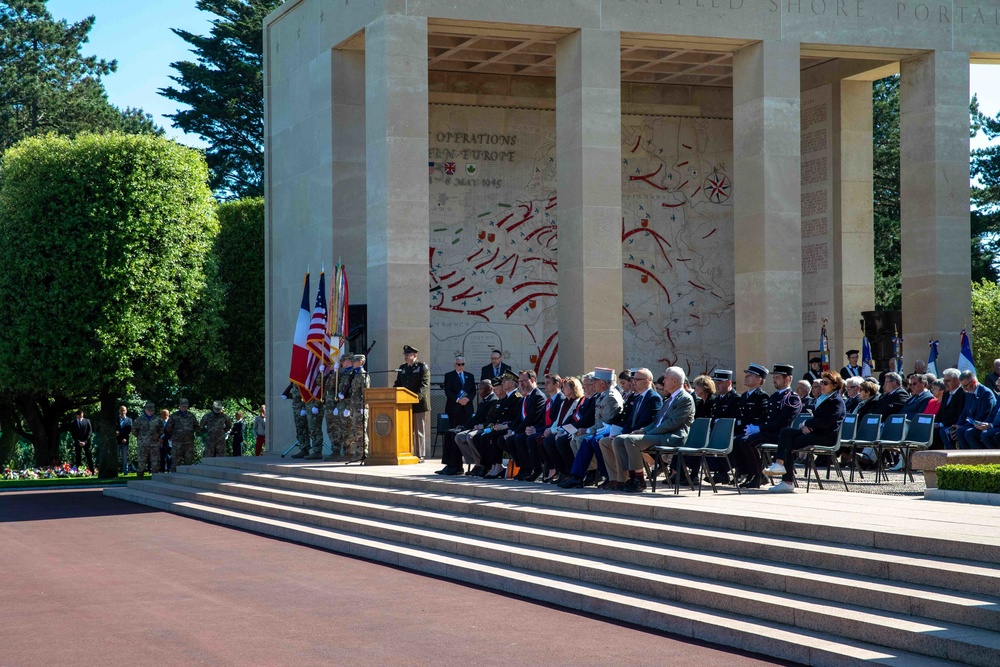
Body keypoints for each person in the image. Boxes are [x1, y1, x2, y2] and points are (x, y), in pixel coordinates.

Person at [613, 366, 694, 493]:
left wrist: (647, 433)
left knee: (631, 441)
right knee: (619, 440)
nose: (663, 381)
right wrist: (644, 430)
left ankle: (639, 480)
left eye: (666, 379)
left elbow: (671, 424)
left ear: (674, 381)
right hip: (660, 434)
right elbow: (657, 421)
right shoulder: (670, 399)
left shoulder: (685, 399)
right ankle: (630, 477)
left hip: (672, 437)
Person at [765, 371, 846, 493]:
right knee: (786, 432)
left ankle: (787, 481)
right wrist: (805, 426)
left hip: (827, 437)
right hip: (816, 433)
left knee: (791, 442)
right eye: (821, 382)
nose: (822, 385)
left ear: (835, 385)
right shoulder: (823, 398)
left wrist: (807, 424)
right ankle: (780, 465)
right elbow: (816, 420)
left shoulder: (836, 401)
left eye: (825, 383)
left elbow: (826, 422)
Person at [733, 363, 802, 488]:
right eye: (774, 377)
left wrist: (760, 428)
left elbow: (782, 422)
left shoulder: (792, 398)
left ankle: (759, 475)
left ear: (787, 379)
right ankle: (753, 474)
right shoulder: (775, 396)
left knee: (746, 441)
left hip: (780, 435)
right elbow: (765, 417)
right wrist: (755, 427)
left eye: (777, 378)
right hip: (769, 432)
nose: (774, 380)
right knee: (742, 440)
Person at [599, 368, 663, 491]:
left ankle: (631, 479)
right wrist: (622, 432)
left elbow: (647, 421)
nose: (633, 382)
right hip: (632, 433)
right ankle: (616, 478)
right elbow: (629, 421)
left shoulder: (653, 398)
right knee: (605, 442)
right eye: (633, 379)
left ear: (646, 381)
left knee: (620, 440)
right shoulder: (638, 397)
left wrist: (627, 434)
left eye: (637, 379)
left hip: (645, 434)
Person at [559, 368, 623, 488]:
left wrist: (587, 430)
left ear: (602, 383)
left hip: (609, 430)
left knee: (587, 439)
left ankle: (596, 474)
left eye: (595, 382)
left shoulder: (610, 397)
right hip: (600, 429)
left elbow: (605, 423)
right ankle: (578, 475)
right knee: (577, 439)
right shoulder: (602, 395)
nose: (593, 385)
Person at [439, 380, 497, 475]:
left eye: (481, 389)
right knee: (449, 433)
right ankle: (450, 464)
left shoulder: (493, 400)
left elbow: (485, 419)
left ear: (489, 389)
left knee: (456, 434)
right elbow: (476, 418)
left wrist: (470, 427)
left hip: (482, 427)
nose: (478, 391)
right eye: (478, 389)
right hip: (474, 426)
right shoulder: (485, 400)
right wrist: (464, 426)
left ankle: (458, 466)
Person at [394, 345, 430, 460]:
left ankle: (420, 455)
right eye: (405, 355)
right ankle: (408, 453)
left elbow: (424, 385)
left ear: (414, 355)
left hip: (418, 404)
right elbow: (398, 384)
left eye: (408, 355)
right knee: (407, 431)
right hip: (405, 405)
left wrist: (415, 398)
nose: (405, 357)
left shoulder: (422, 367)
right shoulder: (402, 368)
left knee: (419, 430)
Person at [954, 370, 997, 449]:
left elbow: (984, 415)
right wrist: (959, 424)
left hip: (982, 424)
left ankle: (978, 457)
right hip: (972, 423)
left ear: (973, 382)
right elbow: (965, 412)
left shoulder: (986, 393)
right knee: (958, 430)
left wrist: (965, 425)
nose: (964, 388)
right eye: (962, 386)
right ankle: (963, 457)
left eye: (965, 385)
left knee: (968, 433)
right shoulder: (969, 392)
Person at [323, 355, 353, 461]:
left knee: (346, 430)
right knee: (334, 429)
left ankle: (348, 452)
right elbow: (328, 385)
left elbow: (353, 392)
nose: (341, 363)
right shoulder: (341, 373)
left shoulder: (351, 373)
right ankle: (337, 451)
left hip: (345, 406)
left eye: (343, 361)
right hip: (336, 405)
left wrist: (348, 407)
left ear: (349, 361)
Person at [345, 353, 370, 462]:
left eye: (354, 361)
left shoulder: (363, 375)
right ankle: (358, 451)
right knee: (356, 430)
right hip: (354, 407)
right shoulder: (354, 374)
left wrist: (364, 406)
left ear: (360, 362)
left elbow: (365, 392)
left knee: (361, 431)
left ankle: (363, 453)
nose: (352, 363)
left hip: (361, 407)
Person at [443, 356, 477, 431]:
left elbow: (473, 391)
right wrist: (458, 400)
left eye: (462, 364)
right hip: (454, 409)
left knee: (467, 430)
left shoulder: (470, 376)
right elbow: (448, 391)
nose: (461, 366)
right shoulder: (449, 376)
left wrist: (467, 399)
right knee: (454, 430)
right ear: (455, 365)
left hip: (467, 408)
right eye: (459, 364)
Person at [166, 398, 199, 471]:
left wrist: (190, 432)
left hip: (189, 442)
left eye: (186, 406)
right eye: (183, 406)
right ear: (180, 406)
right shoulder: (174, 416)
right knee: (176, 462)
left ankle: (188, 479)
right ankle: (174, 478)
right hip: (177, 442)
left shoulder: (191, 416)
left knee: (189, 461)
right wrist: (175, 435)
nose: (184, 407)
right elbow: (168, 428)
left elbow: (196, 426)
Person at [134, 401, 163, 479]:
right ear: (145, 410)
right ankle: (139, 480)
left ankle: (155, 480)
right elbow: (134, 431)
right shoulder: (139, 419)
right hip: (143, 444)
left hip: (154, 444)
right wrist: (141, 438)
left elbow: (161, 430)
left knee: (155, 463)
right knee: (141, 463)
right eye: (149, 409)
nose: (150, 411)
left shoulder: (157, 419)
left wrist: (158, 438)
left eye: (152, 409)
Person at [282, 383, 311, 458]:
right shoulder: (294, 382)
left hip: (301, 409)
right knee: (299, 430)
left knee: (303, 430)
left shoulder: (301, 381)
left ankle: (305, 449)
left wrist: (304, 408)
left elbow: (305, 395)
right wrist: (287, 394)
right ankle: (303, 448)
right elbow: (295, 396)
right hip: (296, 408)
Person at [115, 406, 132, 475]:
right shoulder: (116, 420)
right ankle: (115, 472)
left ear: (126, 411)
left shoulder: (129, 420)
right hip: (117, 441)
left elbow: (128, 430)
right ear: (119, 411)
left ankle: (125, 472)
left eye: (124, 410)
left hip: (125, 441)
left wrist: (122, 436)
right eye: (121, 410)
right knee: (116, 457)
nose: (122, 412)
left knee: (125, 458)